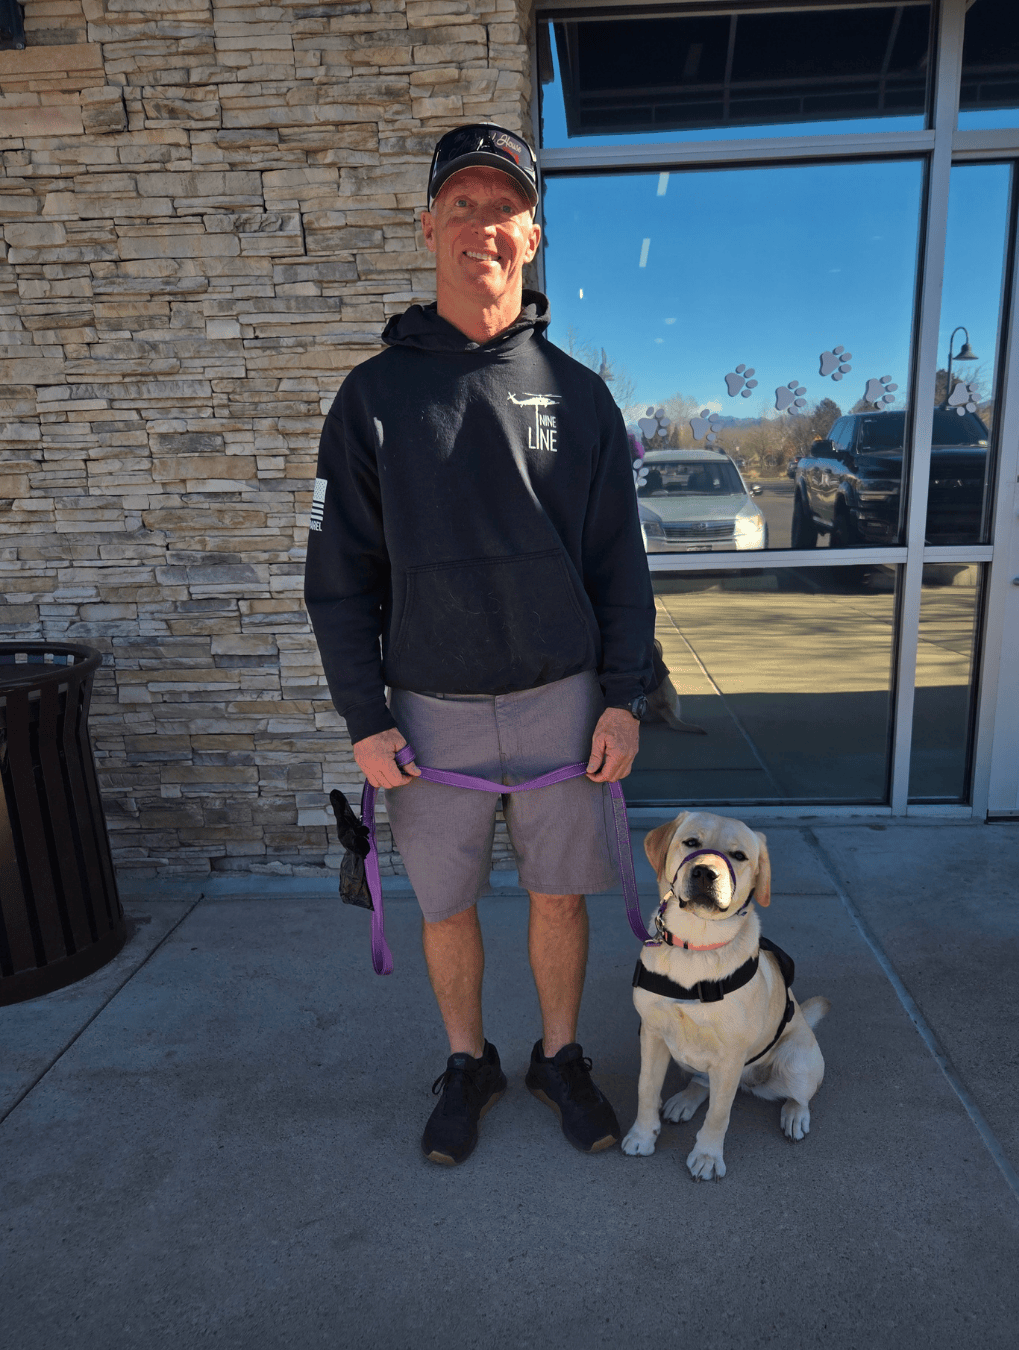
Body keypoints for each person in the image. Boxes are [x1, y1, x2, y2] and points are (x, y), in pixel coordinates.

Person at [304, 123, 655, 1166]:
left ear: (532, 234)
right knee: (447, 906)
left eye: (502, 207)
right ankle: (469, 1061)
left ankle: (559, 1054)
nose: (483, 226)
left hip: (563, 698)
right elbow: (338, 581)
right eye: (462, 205)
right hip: (429, 712)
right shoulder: (372, 398)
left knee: (558, 895)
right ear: (428, 227)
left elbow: (620, 570)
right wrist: (366, 722)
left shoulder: (581, 398)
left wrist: (625, 698)